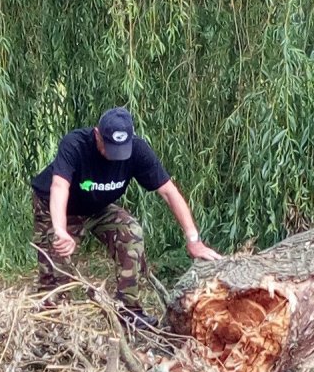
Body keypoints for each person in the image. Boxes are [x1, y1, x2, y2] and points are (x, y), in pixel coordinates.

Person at [31, 107, 221, 327]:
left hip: (98, 207)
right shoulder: (75, 144)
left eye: (121, 149)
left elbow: (169, 192)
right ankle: (53, 322)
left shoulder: (138, 150)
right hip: (57, 208)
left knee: (130, 233)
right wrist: (60, 230)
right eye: (109, 147)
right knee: (56, 271)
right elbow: (60, 186)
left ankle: (128, 310)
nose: (115, 156)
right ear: (96, 135)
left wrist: (193, 240)